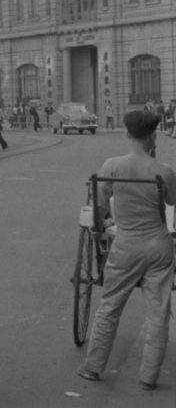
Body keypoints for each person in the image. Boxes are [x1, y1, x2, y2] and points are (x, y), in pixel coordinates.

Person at [78, 111, 176, 391]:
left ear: (127, 134)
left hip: (126, 245)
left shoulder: (112, 165)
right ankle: (148, 377)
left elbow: (100, 205)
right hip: (159, 246)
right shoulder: (165, 170)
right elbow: (172, 200)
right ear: (153, 136)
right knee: (158, 313)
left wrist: (103, 228)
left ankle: (93, 367)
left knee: (109, 306)